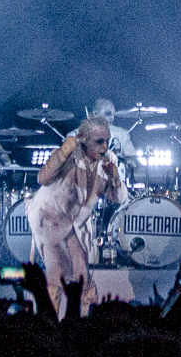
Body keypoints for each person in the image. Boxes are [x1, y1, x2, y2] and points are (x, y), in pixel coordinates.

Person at [28, 116, 128, 318]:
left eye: (107, 141)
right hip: (48, 217)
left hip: (71, 224)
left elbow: (119, 199)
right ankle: (47, 325)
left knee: (82, 276)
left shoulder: (109, 160)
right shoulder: (69, 154)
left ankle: (80, 323)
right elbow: (42, 178)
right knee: (57, 272)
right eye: (99, 141)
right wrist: (63, 151)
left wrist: (115, 177)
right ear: (85, 140)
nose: (105, 146)